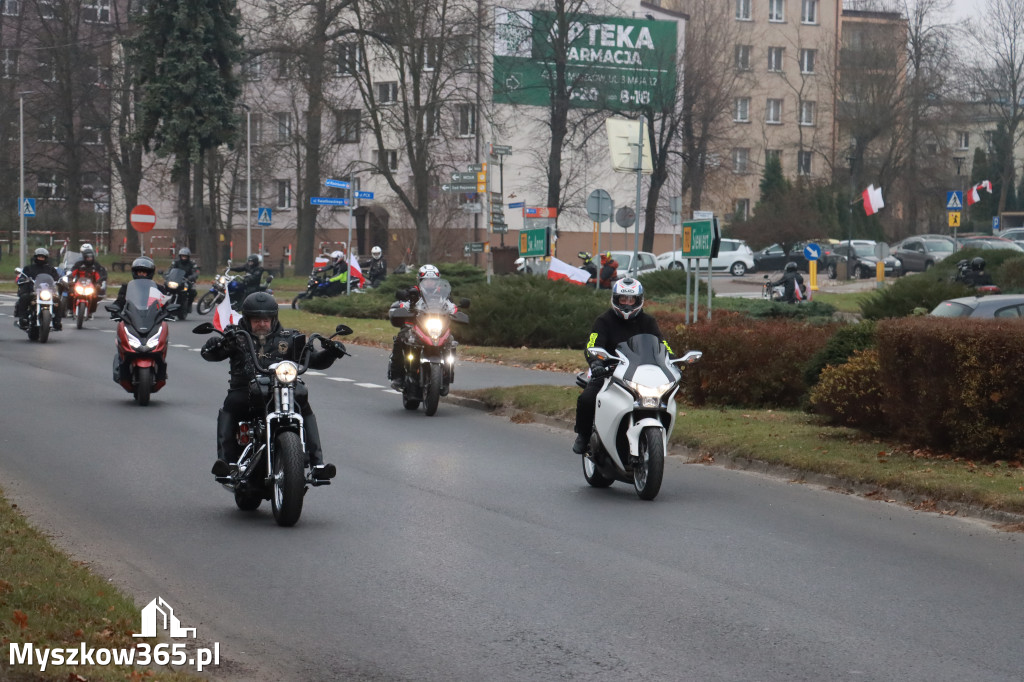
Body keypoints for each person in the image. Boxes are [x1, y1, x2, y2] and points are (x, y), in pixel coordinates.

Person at [201, 292, 345, 481]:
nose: (262, 323)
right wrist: (214, 344)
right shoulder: (236, 336)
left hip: (283, 390)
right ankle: (226, 462)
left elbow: (314, 360)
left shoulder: (290, 337)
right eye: (257, 319)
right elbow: (212, 355)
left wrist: (331, 353)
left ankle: (317, 464)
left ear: (273, 318)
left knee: (304, 405)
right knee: (230, 405)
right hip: (245, 391)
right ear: (247, 318)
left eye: (266, 319)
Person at [573, 277, 672, 454]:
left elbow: (662, 345)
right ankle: (583, 435)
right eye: (623, 299)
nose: (627, 303)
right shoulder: (603, 320)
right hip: (608, 373)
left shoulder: (648, 322)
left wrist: (672, 361)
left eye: (631, 299)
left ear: (639, 300)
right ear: (616, 299)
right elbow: (592, 344)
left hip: (641, 374)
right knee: (587, 399)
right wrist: (596, 362)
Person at [388, 263, 445, 389]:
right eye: (426, 280)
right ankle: (398, 376)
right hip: (415, 325)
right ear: (420, 280)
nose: (429, 283)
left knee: (450, 341)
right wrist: (403, 306)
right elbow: (403, 302)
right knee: (400, 339)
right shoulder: (414, 292)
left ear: (437, 281)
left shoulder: (443, 294)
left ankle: (447, 374)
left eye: (432, 280)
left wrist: (456, 311)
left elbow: (451, 306)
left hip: (436, 327)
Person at [15, 247, 62, 331]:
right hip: (33, 291)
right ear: (35, 257)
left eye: (42, 257)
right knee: (23, 298)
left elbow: (57, 278)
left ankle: (57, 321)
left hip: (48, 292)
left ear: (46, 258)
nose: (41, 259)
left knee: (58, 300)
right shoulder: (28, 268)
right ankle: (23, 318)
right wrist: (22, 279)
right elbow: (22, 276)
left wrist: (61, 281)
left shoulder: (50, 269)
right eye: (39, 257)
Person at [69, 244, 109, 317]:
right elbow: (73, 272)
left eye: (91, 257)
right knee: (70, 293)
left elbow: (99, 274)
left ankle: (91, 311)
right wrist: (70, 279)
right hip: (79, 284)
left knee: (94, 296)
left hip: (91, 285)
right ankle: (70, 309)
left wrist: (99, 282)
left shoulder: (95, 265)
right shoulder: (79, 264)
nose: (89, 259)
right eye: (88, 257)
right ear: (84, 257)